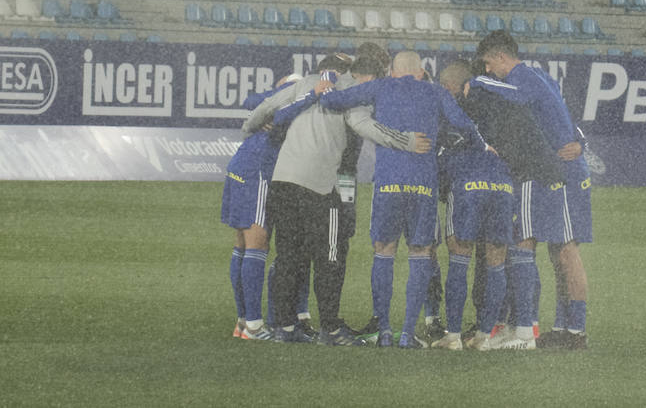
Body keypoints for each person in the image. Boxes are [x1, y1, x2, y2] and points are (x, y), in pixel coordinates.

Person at [243, 46, 431, 345]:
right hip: (320, 185)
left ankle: (284, 328)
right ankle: (329, 330)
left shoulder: (305, 84)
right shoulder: (348, 94)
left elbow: (265, 107)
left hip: (283, 181)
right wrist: (406, 141)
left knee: (289, 256)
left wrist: (249, 127)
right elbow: (365, 126)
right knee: (331, 255)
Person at [318, 50, 486, 348]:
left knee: (383, 250)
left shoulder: (380, 87)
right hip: (423, 184)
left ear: (392, 73)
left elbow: (331, 101)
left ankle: (384, 330)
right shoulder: (435, 91)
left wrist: (328, 81)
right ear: (421, 72)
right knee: (420, 252)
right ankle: (408, 333)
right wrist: (479, 145)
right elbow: (463, 124)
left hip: (389, 183)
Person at [435, 59, 567, 349]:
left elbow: (444, 148)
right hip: (503, 184)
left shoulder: (450, 108)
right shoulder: (500, 103)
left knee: (459, 258)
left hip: (468, 182)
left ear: (449, 87)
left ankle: (454, 336)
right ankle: (485, 336)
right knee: (496, 261)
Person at [475, 30, 592, 350]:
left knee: (566, 250)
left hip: (563, 173)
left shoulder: (522, 77)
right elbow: (564, 114)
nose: (487, 70)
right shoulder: (540, 77)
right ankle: (563, 328)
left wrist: (475, 82)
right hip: (559, 169)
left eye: (488, 63)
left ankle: (576, 332)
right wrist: (581, 140)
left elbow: (515, 95)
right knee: (558, 251)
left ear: (501, 57)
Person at [222, 73, 300, 341]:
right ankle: (254, 325)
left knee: (242, 244)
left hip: (240, 166)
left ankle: (243, 321)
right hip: (258, 169)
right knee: (258, 243)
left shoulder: (272, 98)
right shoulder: (296, 92)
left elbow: (249, 99)